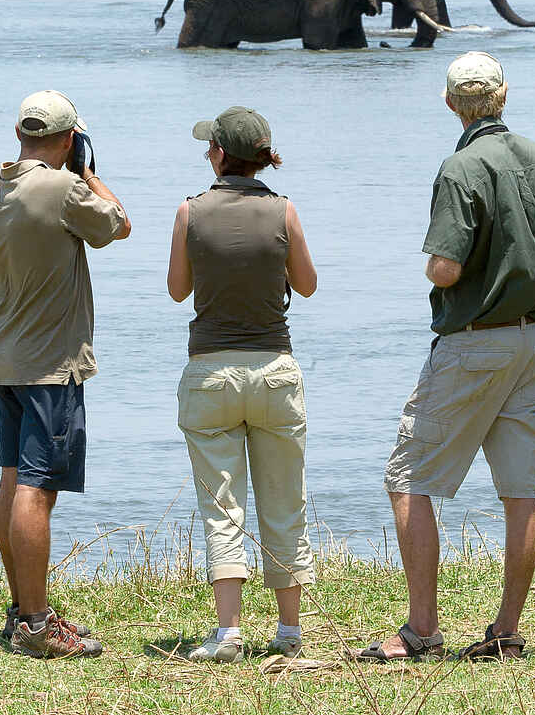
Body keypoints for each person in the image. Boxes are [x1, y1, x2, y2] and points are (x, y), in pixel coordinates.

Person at [360, 52, 535, 663]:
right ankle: (506, 630)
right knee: (520, 491)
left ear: (450, 104)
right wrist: (533, 265)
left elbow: (445, 268)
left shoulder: (459, 168)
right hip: (530, 343)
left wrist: (448, 271)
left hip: (473, 343)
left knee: (408, 480)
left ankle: (421, 630)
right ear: (504, 97)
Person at [0, 90, 132, 658]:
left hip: (6, 357)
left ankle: (23, 612)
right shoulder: (64, 187)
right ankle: (39, 626)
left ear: (20, 135)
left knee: (14, 478)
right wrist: (88, 174)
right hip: (50, 365)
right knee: (38, 491)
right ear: (68, 139)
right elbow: (119, 225)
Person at [166, 106, 319, 663]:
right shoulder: (284, 210)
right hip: (274, 369)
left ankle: (228, 631)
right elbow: (306, 285)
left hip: (210, 371)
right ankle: (288, 629)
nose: (207, 154)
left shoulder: (189, 211)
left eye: (211, 148)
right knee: (284, 500)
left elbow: (177, 290)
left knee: (221, 506)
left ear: (222, 156)